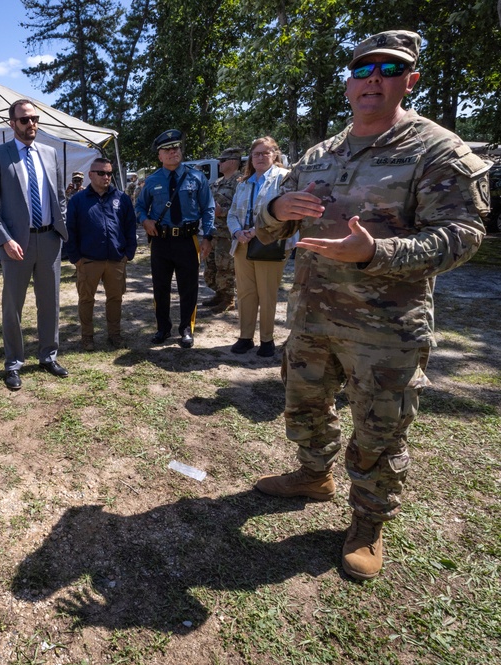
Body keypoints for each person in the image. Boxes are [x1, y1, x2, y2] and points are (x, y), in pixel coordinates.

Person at [252, 31, 488, 580]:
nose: (373, 78)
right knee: (305, 407)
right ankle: (313, 474)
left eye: (389, 68)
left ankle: (367, 522)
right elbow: (270, 221)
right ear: (349, 84)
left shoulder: (438, 150)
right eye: (363, 69)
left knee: (380, 429)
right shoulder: (320, 153)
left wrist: (376, 252)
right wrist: (276, 206)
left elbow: (463, 234)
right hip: (312, 317)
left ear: (411, 80)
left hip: (385, 328)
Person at [0, 99, 68, 391]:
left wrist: (59, 227)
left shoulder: (50, 153)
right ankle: (14, 363)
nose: (31, 124)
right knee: (13, 307)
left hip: (49, 239)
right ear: (12, 123)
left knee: (50, 302)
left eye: (34, 119)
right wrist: (4, 239)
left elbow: (59, 195)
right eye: (24, 120)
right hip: (16, 244)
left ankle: (48, 355)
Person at [135, 129, 214, 348]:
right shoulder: (151, 181)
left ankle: (186, 329)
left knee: (188, 287)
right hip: (161, 240)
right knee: (160, 287)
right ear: (159, 156)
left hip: (188, 241)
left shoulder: (196, 177)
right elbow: (140, 206)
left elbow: (208, 207)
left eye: (176, 148)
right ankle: (163, 328)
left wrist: (208, 236)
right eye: (167, 150)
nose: (173, 152)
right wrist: (144, 220)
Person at [227, 137, 292, 358]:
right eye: (256, 154)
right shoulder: (244, 182)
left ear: (275, 155)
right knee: (245, 294)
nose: (261, 157)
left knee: (267, 294)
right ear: (251, 158)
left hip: (269, 242)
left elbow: (285, 214)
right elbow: (233, 213)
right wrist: (237, 232)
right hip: (243, 243)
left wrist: (256, 230)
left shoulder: (284, 179)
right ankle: (245, 337)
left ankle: (267, 339)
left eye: (266, 153)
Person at [65, 157, 137, 350]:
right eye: (101, 173)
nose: (106, 177)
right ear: (90, 175)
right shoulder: (78, 200)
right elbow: (70, 230)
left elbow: (130, 226)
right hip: (88, 260)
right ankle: (87, 337)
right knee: (86, 299)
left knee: (115, 299)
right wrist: (76, 258)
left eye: (109, 173)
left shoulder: (121, 198)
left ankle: (115, 335)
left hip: (116, 259)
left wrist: (128, 253)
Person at [204, 147, 242, 312]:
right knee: (212, 266)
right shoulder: (216, 183)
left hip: (228, 234)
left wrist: (222, 211)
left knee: (226, 267)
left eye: (223, 160)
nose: (219, 163)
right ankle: (219, 294)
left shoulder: (240, 182)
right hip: (214, 232)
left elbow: (242, 208)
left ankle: (228, 299)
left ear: (233, 162)